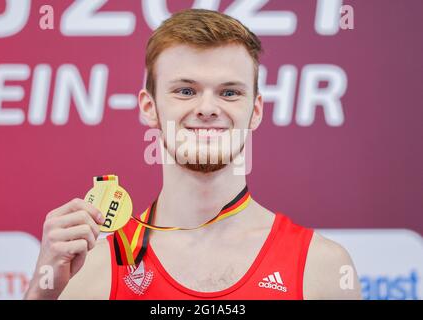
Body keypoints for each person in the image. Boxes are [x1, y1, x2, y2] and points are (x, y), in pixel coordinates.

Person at [24, 9, 361, 300]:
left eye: (229, 92)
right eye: (186, 90)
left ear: (256, 110)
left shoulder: (322, 266)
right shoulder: (91, 270)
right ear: (149, 107)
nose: (207, 108)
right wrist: (42, 291)